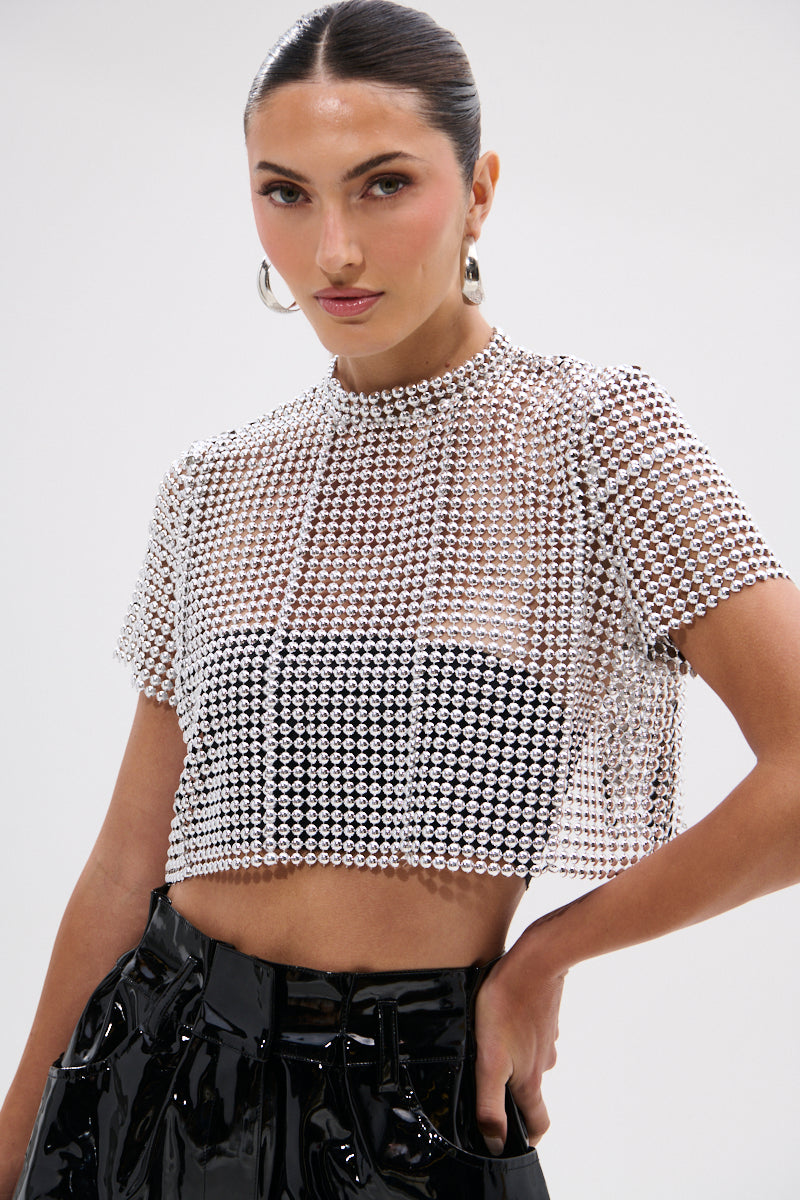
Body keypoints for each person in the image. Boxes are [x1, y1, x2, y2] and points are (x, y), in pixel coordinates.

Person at [3, 0, 799, 1195]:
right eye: (285, 192)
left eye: (381, 186)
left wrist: (543, 960)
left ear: (477, 191)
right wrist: (11, 1145)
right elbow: (127, 866)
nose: (333, 250)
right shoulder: (213, 485)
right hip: (149, 1079)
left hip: (410, 1111)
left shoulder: (593, 439)